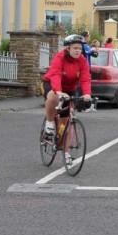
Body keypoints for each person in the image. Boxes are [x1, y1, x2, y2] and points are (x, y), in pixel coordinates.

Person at [41, 34, 92, 163]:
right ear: (68, 48)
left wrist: (87, 94)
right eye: (75, 48)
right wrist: (58, 91)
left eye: (80, 48)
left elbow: (85, 78)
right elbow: (56, 74)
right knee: (53, 97)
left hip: (69, 89)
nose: (78, 51)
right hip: (52, 84)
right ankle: (49, 122)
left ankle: (67, 152)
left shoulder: (82, 60)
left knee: (66, 122)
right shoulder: (60, 57)